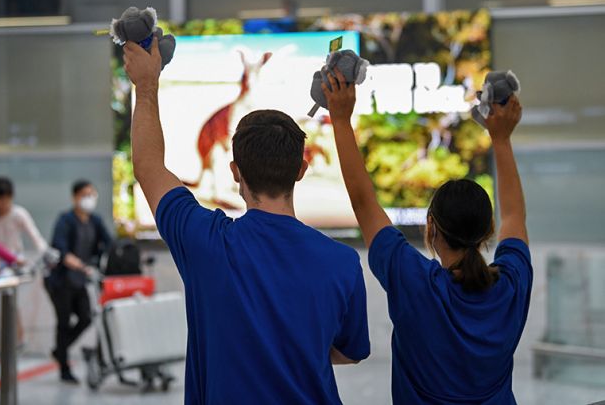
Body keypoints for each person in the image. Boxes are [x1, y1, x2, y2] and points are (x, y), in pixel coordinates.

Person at [123, 38, 370, 404]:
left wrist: (146, 87)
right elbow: (350, 352)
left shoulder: (205, 241)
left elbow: (148, 167)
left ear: (236, 172)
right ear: (301, 170)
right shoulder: (343, 262)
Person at [323, 69, 531, 404]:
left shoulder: (415, 283)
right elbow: (515, 216)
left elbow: (363, 201)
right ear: (487, 232)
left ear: (430, 228)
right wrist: (502, 140)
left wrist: (341, 118)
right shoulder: (511, 287)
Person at [46, 180, 112, 384]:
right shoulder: (65, 220)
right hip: (61, 280)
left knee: (86, 317)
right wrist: (82, 266)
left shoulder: (95, 221)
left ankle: (59, 350)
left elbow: (109, 243)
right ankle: (64, 368)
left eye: (92, 194)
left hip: (80, 280)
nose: (89, 198)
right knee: (64, 323)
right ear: (75, 197)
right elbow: (61, 251)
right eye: (85, 194)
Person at [0, 177, 49, 345]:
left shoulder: (18, 214)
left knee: (10, 297)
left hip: (12, 264)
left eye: (6, 198)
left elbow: (34, 236)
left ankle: (17, 338)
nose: (3, 203)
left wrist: (44, 252)